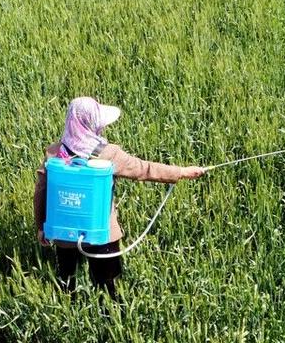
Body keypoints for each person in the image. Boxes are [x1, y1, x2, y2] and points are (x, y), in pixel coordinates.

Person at [33, 97, 205, 301]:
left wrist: (41, 227)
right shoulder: (108, 154)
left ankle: (70, 312)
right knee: (108, 287)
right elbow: (144, 169)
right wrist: (182, 172)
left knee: (66, 281)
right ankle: (111, 319)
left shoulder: (54, 154)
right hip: (102, 233)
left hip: (64, 235)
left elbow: (40, 193)